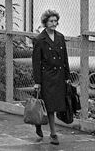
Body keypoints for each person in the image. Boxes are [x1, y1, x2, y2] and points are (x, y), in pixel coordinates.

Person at [32, 9, 70, 145]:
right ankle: (53, 134)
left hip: (59, 76)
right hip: (46, 76)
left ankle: (39, 124)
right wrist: (37, 81)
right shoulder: (40, 39)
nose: (54, 23)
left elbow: (65, 58)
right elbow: (36, 62)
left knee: (55, 104)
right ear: (45, 23)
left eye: (55, 21)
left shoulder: (60, 37)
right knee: (49, 106)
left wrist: (67, 76)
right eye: (51, 21)